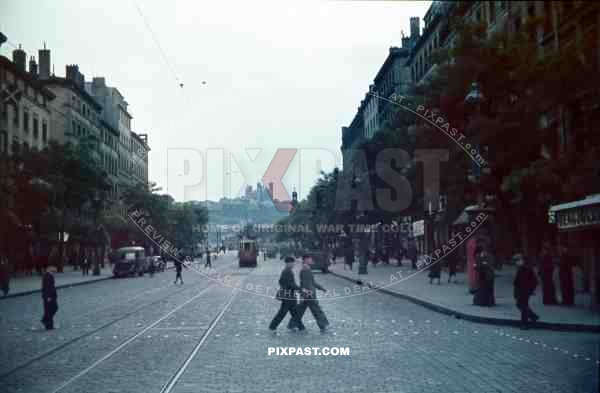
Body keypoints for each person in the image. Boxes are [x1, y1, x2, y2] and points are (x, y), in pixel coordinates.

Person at [269, 257, 305, 333]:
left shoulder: (286, 271)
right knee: (283, 313)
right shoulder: (287, 271)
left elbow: (280, 281)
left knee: (295, 313)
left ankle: (301, 327)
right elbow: (291, 284)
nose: (294, 264)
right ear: (288, 263)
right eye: (293, 263)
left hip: (289, 295)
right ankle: (272, 327)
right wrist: (301, 290)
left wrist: (284, 286)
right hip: (288, 296)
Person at [295, 255, 330, 332]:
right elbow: (305, 283)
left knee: (300, 310)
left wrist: (321, 288)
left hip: (307, 293)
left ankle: (292, 324)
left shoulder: (307, 268)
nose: (311, 260)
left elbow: (312, 282)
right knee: (316, 310)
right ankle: (323, 326)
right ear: (306, 260)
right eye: (310, 259)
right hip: (309, 294)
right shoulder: (305, 269)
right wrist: (306, 294)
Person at [513, 254, 539, 329]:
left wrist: (530, 290)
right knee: (522, 305)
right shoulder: (520, 268)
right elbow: (517, 282)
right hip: (521, 290)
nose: (516, 262)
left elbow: (534, 281)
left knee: (522, 306)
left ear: (522, 260)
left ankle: (525, 323)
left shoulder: (526, 269)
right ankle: (532, 317)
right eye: (516, 261)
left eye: (518, 260)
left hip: (524, 291)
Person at [473, 239, 495, 306]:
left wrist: (481, 264)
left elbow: (488, 264)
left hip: (488, 275)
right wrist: (477, 265)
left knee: (488, 289)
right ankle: (483, 302)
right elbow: (477, 265)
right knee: (483, 289)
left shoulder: (489, 256)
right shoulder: (479, 256)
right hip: (483, 275)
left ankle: (488, 302)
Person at [41, 266, 58, 330]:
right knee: (51, 309)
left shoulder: (49, 275)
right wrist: (47, 297)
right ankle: (48, 324)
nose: (54, 273)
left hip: (50, 296)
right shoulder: (47, 276)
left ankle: (47, 322)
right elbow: (46, 287)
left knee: (50, 310)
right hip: (49, 296)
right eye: (53, 271)